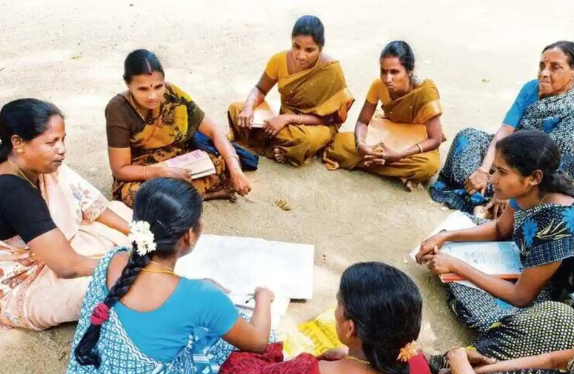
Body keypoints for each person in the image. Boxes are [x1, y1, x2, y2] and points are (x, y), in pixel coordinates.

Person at [65, 178, 274, 374]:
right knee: (221, 347)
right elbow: (258, 342)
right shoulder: (203, 297)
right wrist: (263, 297)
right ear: (189, 236)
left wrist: (201, 290)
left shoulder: (113, 258)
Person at [417, 131, 574, 333]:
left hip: (559, 288)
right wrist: (446, 235)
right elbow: (500, 229)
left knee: (492, 316)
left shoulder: (556, 224)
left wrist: (455, 265)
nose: (492, 179)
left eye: (502, 173)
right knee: (462, 230)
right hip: (527, 260)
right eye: (495, 170)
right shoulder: (528, 193)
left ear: (534, 177)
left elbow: (521, 297)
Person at [0, 99, 131, 332]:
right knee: (108, 287)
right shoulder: (13, 191)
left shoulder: (42, 165)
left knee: (121, 215)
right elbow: (68, 266)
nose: (62, 149)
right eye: (52, 142)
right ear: (18, 143)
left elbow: (91, 203)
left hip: (52, 248)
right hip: (22, 281)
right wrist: (131, 265)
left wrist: (135, 231)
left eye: (63, 139)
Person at [219, 262, 431, 374]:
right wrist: (349, 355)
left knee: (241, 366)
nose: (336, 311)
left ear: (350, 329)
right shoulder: (419, 365)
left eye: (339, 304)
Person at [431, 41, 574, 215]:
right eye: (542, 66)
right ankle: (493, 200)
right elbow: (505, 131)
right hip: (511, 150)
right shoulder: (531, 88)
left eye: (555, 67)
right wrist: (483, 170)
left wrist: (511, 187)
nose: (544, 73)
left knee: (563, 171)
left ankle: (493, 200)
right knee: (468, 137)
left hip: (539, 166)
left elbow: (547, 155)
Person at [106, 49, 251, 207]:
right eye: (143, 89)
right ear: (128, 84)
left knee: (226, 164)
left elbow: (214, 131)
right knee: (137, 195)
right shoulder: (117, 110)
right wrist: (161, 172)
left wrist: (235, 170)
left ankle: (182, 199)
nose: (153, 96)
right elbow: (120, 169)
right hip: (143, 170)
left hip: (180, 160)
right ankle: (204, 195)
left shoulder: (174, 94)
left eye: (158, 86)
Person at [227, 15, 354, 167]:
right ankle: (284, 149)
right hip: (283, 121)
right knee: (237, 109)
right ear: (291, 41)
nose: (300, 55)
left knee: (304, 141)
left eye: (309, 50)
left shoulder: (331, 70)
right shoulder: (279, 60)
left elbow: (329, 119)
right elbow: (260, 89)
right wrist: (248, 107)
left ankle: (276, 144)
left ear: (321, 48)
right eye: (296, 46)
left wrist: (288, 119)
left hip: (315, 126)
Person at [431, 292, 574, 374]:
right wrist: (474, 370)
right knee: (561, 318)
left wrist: (457, 358)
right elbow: (552, 360)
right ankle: (445, 370)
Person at [324, 40, 444, 191]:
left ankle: (378, 163)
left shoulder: (426, 91)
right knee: (339, 145)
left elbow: (435, 139)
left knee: (428, 166)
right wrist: (361, 146)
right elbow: (362, 121)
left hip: (415, 140)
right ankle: (397, 171)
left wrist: (398, 155)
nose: (387, 79)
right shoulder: (378, 86)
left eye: (394, 72)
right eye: (384, 71)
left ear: (410, 70)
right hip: (386, 132)